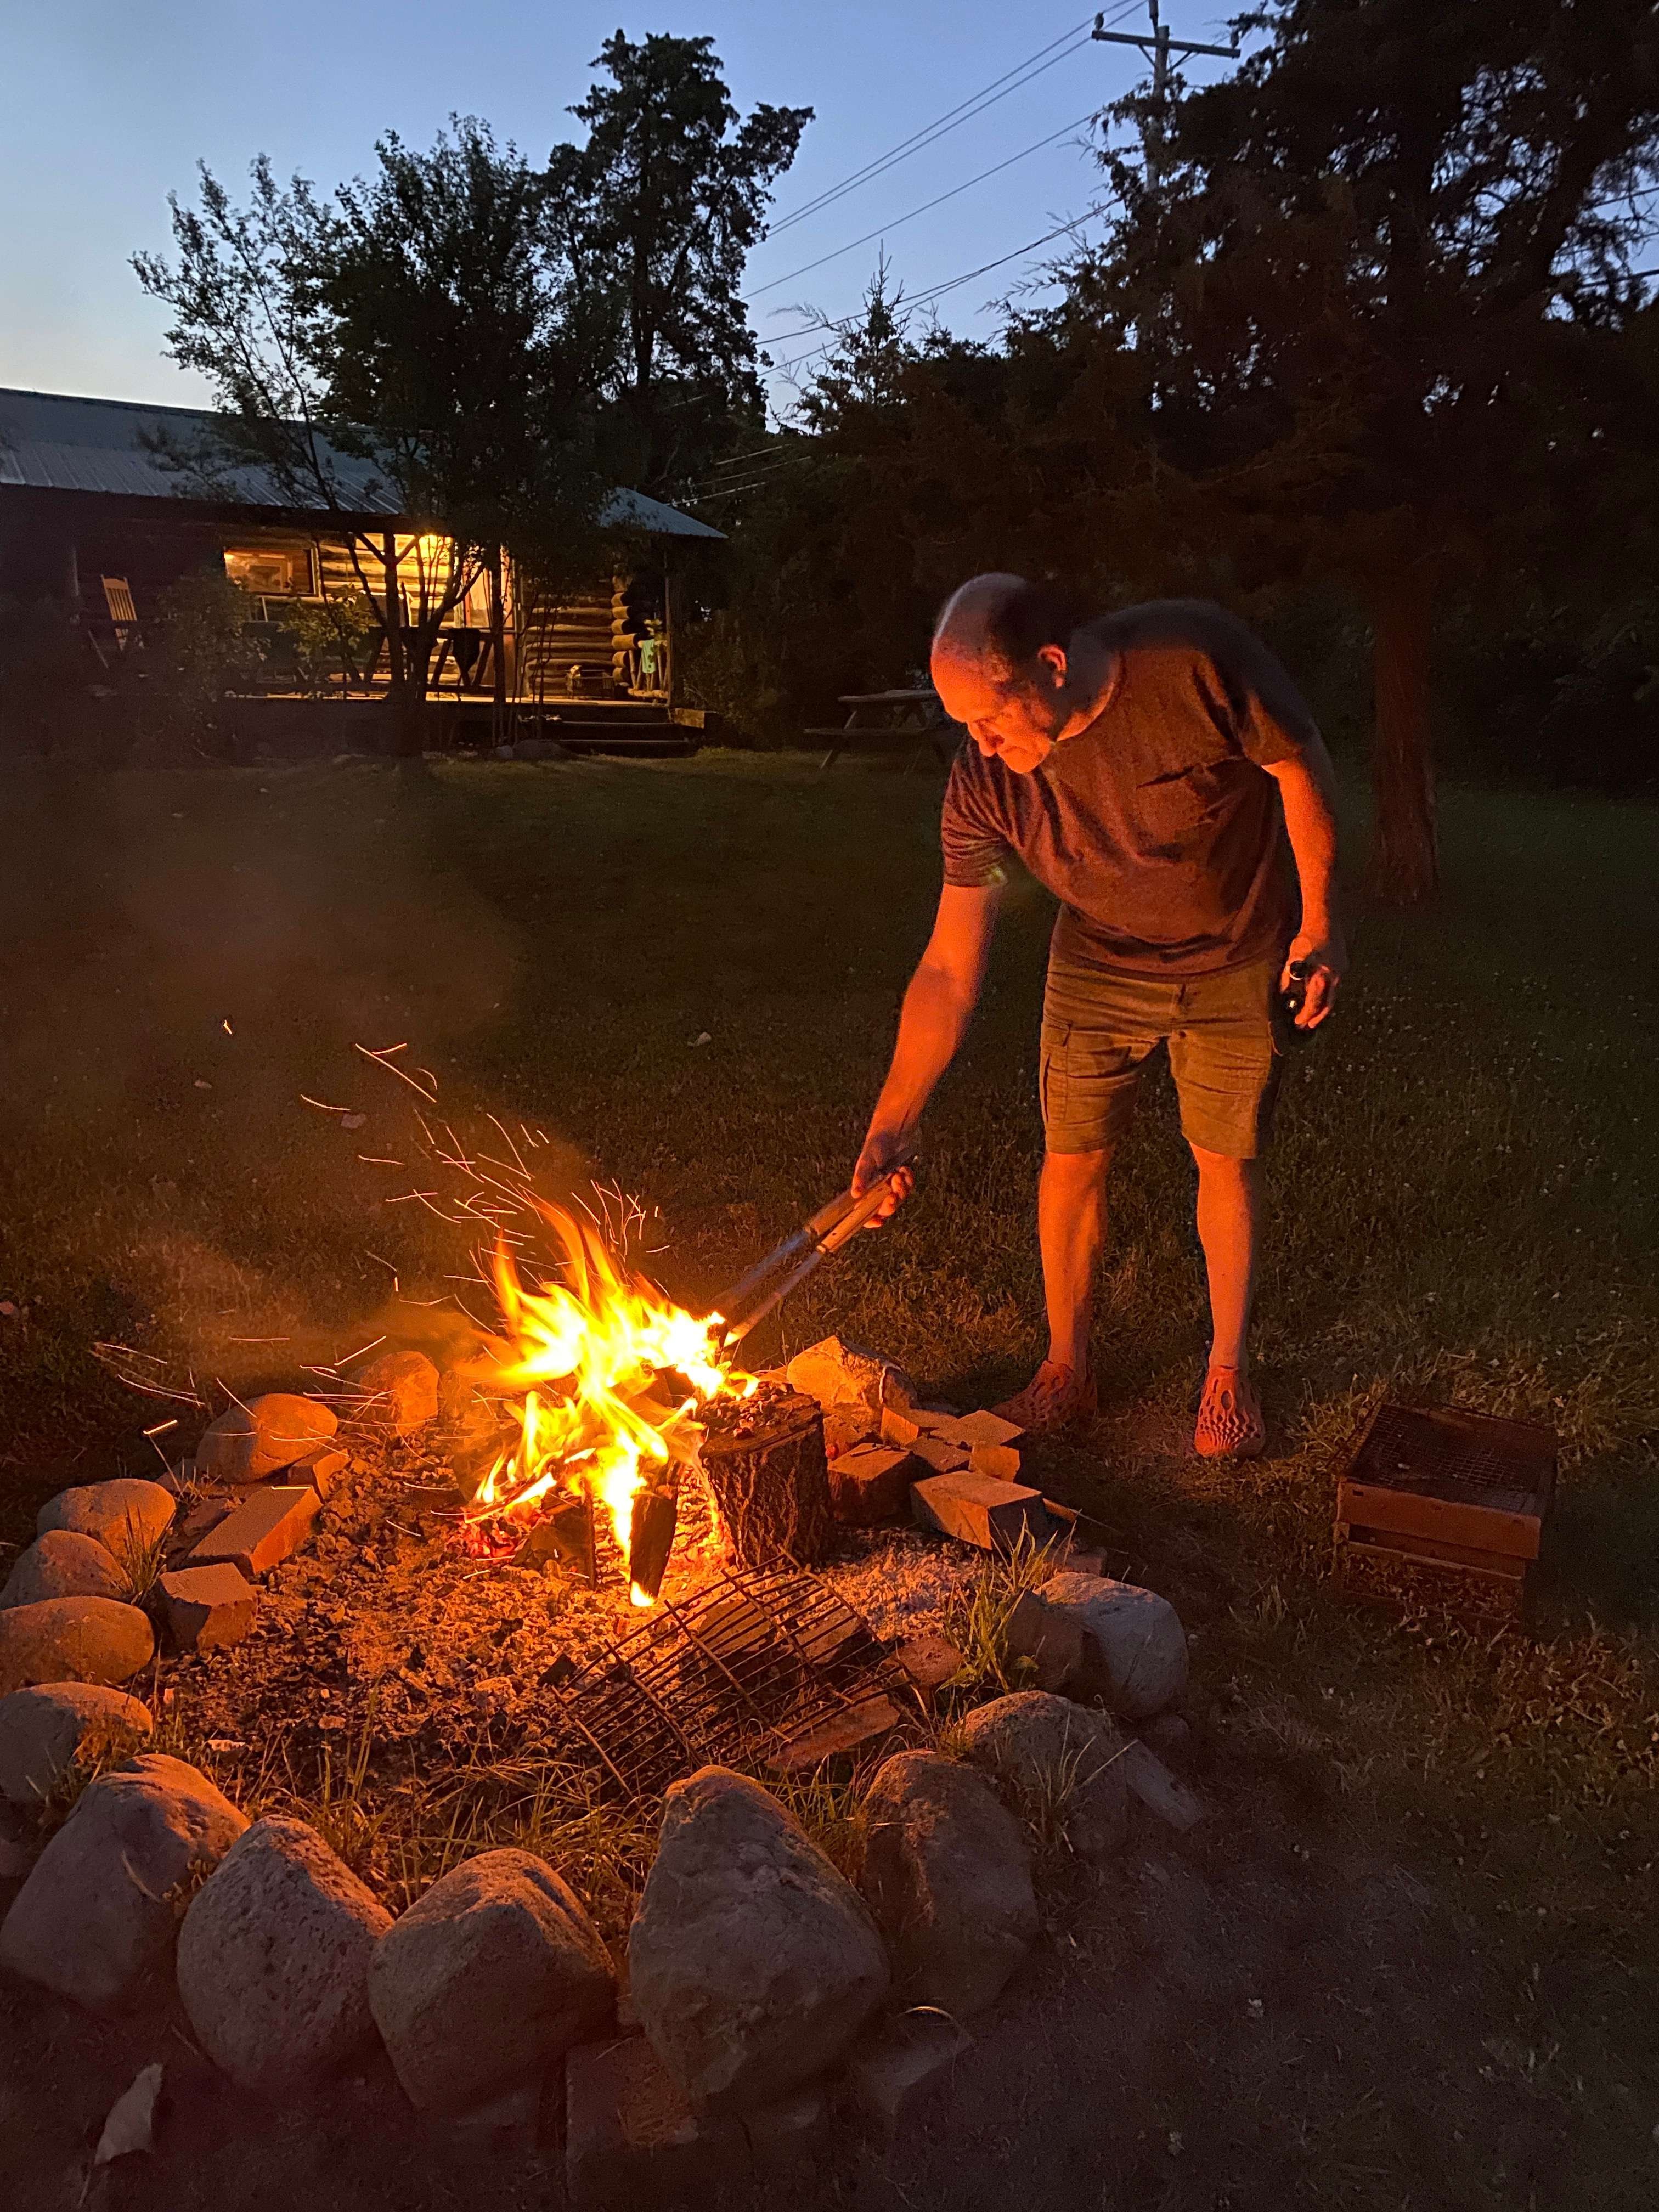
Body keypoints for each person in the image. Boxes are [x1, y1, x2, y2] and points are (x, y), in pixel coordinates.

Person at [851, 575, 1344, 1457]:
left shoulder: (1194, 661)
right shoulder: (986, 783)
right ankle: (1065, 1369)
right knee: (1071, 1157)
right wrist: (894, 1120)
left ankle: (1227, 1372)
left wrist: (1320, 927)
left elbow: (1298, 764)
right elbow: (949, 967)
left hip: (1234, 950)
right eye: (964, 726)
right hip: (1098, 961)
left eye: (989, 719)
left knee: (1223, 1159)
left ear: (1052, 664)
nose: (979, 745)